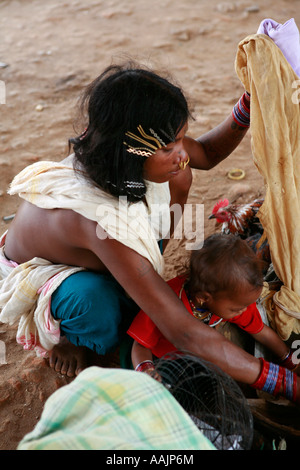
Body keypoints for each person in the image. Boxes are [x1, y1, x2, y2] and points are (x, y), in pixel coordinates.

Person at [0, 60, 298, 404]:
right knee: (97, 308)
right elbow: (183, 331)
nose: (182, 154)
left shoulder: (124, 153)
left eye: (180, 139)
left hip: (107, 252)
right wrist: (287, 384)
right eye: (169, 148)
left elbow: (207, 154)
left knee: (180, 176)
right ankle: (70, 337)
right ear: (130, 152)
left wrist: (249, 102)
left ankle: (141, 280)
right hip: (51, 274)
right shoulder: (97, 222)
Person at [128, 234, 299, 403]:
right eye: (237, 308)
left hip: (197, 360)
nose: (245, 311)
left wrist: (289, 359)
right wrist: (146, 370)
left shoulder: (230, 299)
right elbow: (140, 344)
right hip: (165, 362)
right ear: (204, 297)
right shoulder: (166, 301)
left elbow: (261, 331)